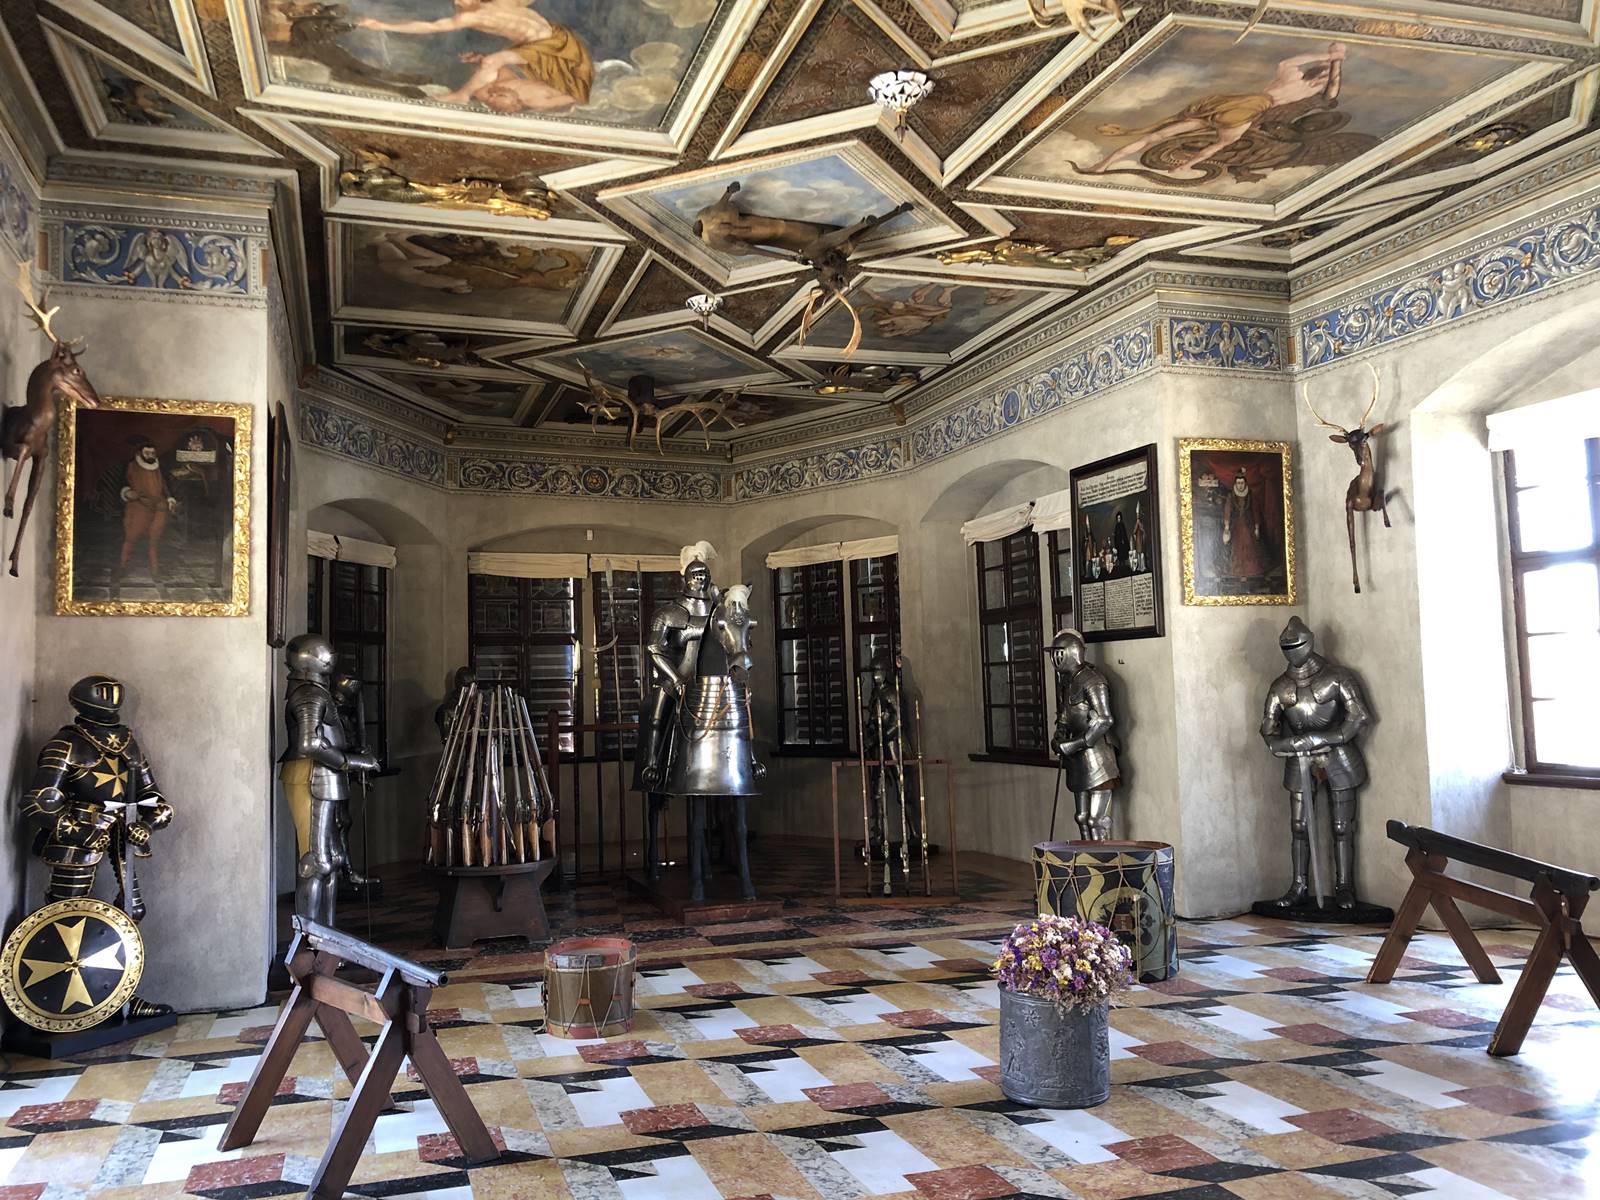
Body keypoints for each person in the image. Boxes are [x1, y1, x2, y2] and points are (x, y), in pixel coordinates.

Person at [20, 675, 174, 1017]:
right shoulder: (65, 744)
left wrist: (146, 825)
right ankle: (62, 1004)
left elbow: (154, 798)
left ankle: (120, 998)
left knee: (131, 912)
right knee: (66, 916)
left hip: (122, 835)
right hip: (78, 839)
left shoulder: (128, 743)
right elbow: (39, 802)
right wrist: (79, 832)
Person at [1087, 42, 1348, 176]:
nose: (1325, 78)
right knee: (1219, 144)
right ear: (1321, 74)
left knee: (1157, 135)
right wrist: (1333, 59)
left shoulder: (1297, 80)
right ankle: (1184, 167)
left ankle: (1103, 164)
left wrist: (1330, 59)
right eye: (1325, 74)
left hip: (1232, 103)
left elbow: (1297, 69)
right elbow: (1329, 85)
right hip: (1247, 110)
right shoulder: (1303, 85)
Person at [1259, 617, 1371, 912]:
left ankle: (1344, 886)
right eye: (1286, 647)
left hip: (1337, 755)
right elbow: (1269, 729)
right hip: (1299, 759)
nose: (1292, 651)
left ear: (1310, 642)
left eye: (1296, 644)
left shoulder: (1337, 677)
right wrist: (1289, 744)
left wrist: (1325, 738)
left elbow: (1358, 716)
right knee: (1299, 826)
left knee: (1342, 826)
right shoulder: (1280, 686)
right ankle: (1298, 886)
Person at [358, 0, 594, 114]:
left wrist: (382, 25)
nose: (458, 2)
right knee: (492, 62)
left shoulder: (476, 14)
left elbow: (429, 27)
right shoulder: (497, 5)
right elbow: (430, 26)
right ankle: (464, 91)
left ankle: (461, 95)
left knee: (493, 61)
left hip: (550, 46)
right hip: (560, 43)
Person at [1048, 630, 1120, 840]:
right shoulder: (1068, 681)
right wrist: (1060, 735)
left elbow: (1104, 720)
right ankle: (1085, 857)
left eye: (1059, 652)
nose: (1055, 658)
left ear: (1072, 652)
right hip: (1076, 757)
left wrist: (1073, 744)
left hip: (1097, 754)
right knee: (1081, 817)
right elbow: (1065, 714)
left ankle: (1103, 858)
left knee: (1096, 821)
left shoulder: (1092, 680)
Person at [119, 437, 177, 578]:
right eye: (147, 453)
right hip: (138, 506)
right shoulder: (131, 466)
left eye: (152, 453)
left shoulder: (159, 466)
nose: (151, 455)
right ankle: (123, 566)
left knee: (154, 539)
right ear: (139, 453)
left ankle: (155, 570)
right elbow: (123, 483)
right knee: (131, 537)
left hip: (159, 507)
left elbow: (166, 485)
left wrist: (170, 499)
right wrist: (127, 492)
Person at [1221, 468, 1264, 577]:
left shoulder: (1250, 494)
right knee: (1236, 547)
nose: (1240, 485)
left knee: (1249, 545)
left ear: (1245, 483)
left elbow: (1255, 510)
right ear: (1236, 483)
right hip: (1235, 525)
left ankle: (1250, 569)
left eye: (1242, 483)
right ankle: (1236, 569)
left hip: (1248, 524)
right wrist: (1226, 526)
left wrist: (1256, 526)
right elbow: (1227, 510)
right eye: (1238, 483)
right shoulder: (1231, 495)